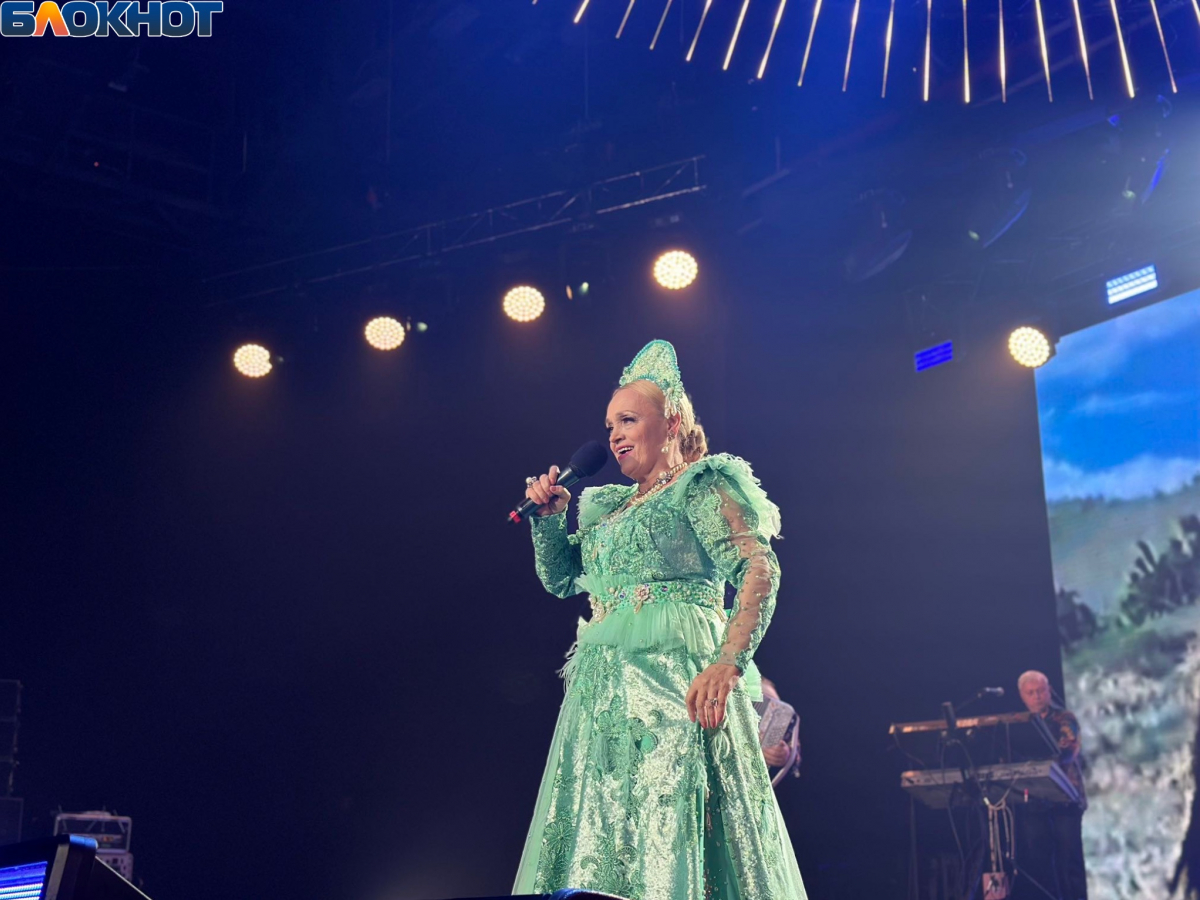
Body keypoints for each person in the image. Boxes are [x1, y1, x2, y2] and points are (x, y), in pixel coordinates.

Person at [513, 340, 808, 900]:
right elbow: (562, 580)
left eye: (628, 420)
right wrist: (548, 521)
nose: (614, 435)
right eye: (609, 426)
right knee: (601, 839)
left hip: (675, 691)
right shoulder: (610, 508)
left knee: (668, 830)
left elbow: (758, 567)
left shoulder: (698, 486)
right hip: (603, 702)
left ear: (671, 422)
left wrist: (728, 661)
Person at [1014, 670, 1087, 900]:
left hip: (1065, 799)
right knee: (1038, 860)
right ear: (1022, 696)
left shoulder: (1064, 718)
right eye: (1031, 693)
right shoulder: (1018, 723)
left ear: (1049, 691)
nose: (1036, 696)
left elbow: (1068, 751)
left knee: (1069, 859)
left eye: (1040, 691)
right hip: (1034, 799)